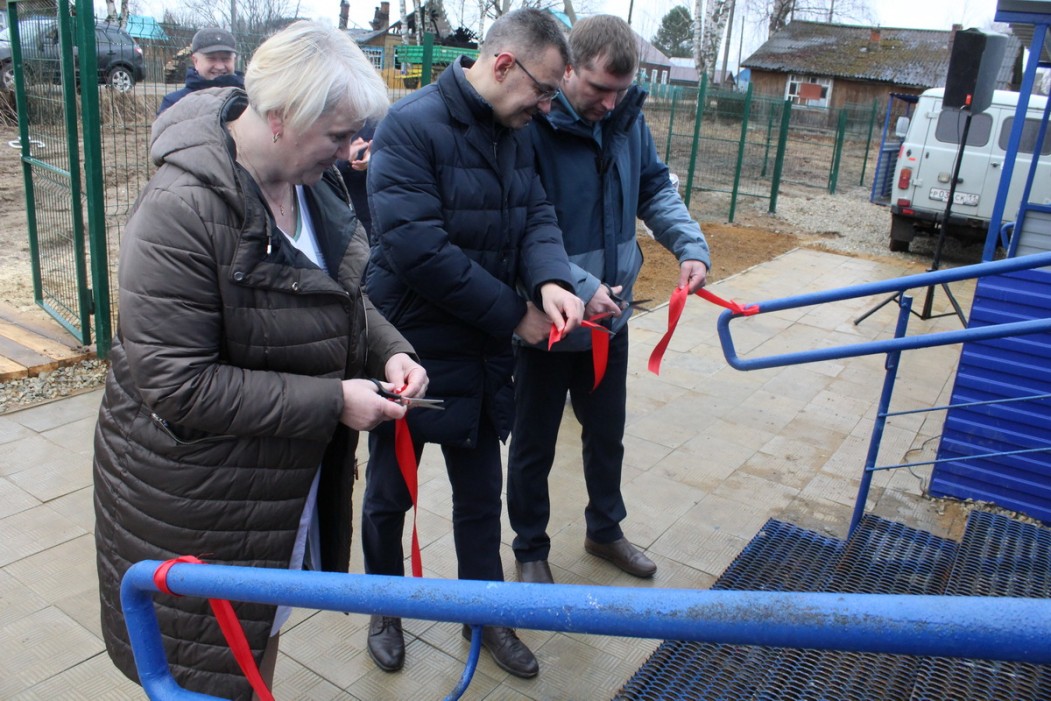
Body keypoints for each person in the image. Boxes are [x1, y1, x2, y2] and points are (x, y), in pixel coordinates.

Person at [93, 21, 427, 701]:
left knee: (256, 628)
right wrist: (335, 401)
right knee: (207, 660)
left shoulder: (310, 182)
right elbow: (177, 384)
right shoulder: (179, 211)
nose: (347, 152)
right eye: (336, 135)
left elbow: (339, 295)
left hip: (273, 476)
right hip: (198, 494)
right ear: (278, 118)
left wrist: (391, 349)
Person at [361, 8, 584, 680]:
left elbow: (536, 213)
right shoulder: (410, 125)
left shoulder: (514, 132)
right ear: (502, 63)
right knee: (388, 495)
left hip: (482, 354)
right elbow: (417, 249)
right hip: (413, 349)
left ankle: (484, 616)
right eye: (543, 89)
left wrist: (549, 278)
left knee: (480, 500)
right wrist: (515, 314)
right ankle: (383, 606)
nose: (547, 106)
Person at [507, 14, 711, 585]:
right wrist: (575, 285)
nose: (609, 102)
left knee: (606, 435)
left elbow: (653, 187)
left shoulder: (626, 121)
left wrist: (689, 245)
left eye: (620, 91)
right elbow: (518, 226)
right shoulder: (532, 125)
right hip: (547, 321)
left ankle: (605, 530)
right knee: (533, 445)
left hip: (611, 322)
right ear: (568, 69)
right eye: (599, 89)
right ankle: (529, 549)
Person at [157, 27, 244, 115]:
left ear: (234, 60)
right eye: (211, 59)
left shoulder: (249, 99)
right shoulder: (173, 103)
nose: (220, 66)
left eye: (226, 59)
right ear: (195, 61)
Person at [337, 119, 376, 243]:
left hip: (368, 214)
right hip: (339, 216)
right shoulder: (327, 120)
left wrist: (373, 159)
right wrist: (344, 160)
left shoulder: (376, 121)